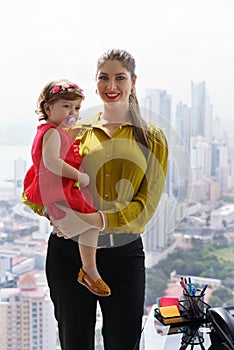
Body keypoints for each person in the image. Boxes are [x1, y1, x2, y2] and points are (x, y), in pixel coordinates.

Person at [29, 49, 168, 350]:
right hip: (68, 253)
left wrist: (95, 220)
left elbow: (146, 205)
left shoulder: (151, 137)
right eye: (104, 77)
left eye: (120, 77)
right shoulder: (74, 129)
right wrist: (56, 217)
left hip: (124, 254)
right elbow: (43, 176)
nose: (111, 85)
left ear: (133, 81)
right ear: (95, 83)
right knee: (74, 342)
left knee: (123, 343)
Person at [23, 79, 111, 297]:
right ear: (48, 107)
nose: (73, 112)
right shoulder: (52, 132)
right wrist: (79, 175)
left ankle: (89, 266)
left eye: (77, 108)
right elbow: (52, 162)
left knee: (81, 222)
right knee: (91, 222)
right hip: (57, 186)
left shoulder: (53, 131)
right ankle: (90, 269)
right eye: (66, 106)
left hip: (54, 186)